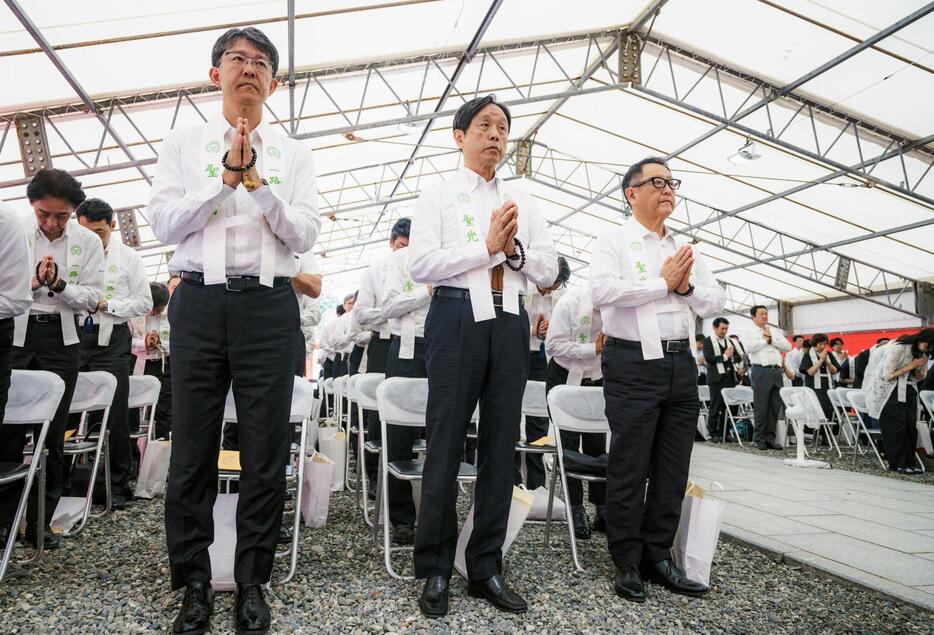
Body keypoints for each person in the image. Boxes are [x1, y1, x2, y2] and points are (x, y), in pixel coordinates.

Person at [148, 26, 320, 635]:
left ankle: (253, 581)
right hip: (197, 301)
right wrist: (222, 179)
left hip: (271, 308)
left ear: (274, 82)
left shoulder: (294, 153)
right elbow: (164, 222)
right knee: (192, 446)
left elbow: (304, 234)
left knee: (266, 449)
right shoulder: (183, 142)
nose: (249, 69)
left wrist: (259, 184)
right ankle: (194, 581)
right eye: (237, 59)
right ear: (215, 74)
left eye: (262, 63)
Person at [408, 94, 558, 617]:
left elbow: (549, 266)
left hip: (511, 318)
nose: (495, 134)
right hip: (454, 317)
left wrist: (514, 252)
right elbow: (422, 264)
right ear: (460, 136)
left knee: (501, 444)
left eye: (502, 126)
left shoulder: (524, 198)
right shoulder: (438, 194)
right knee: (445, 440)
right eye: (484, 125)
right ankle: (433, 565)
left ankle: (485, 564)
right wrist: (488, 248)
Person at [591, 156, 724, 603]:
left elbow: (714, 299)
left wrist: (684, 288)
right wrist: (660, 284)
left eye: (672, 182)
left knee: (673, 464)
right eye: (657, 182)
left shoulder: (683, 247)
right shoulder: (614, 240)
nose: (668, 189)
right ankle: (626, 558)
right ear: (632, 193)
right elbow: (603, 291)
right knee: (630, 463)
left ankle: (658, 554)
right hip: (631, 362)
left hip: (680, 363)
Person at [0, 169, 104, 551]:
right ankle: (5, 520)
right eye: (44, 214)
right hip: (15, 334)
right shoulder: (14, 231)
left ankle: (41, 521)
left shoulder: (87, 241)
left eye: (61, 216)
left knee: (53, 434)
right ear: (32, 205)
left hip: (62, 340)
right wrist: (32, 282)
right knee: (7, 430)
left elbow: (93, 298)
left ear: (73, 212)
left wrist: (59, 285)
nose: (51, 223)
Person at [74, 198, 153, 508]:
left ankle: (118, 483)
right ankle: (73, 479)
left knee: (115, 411)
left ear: (113, 226)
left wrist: (109, 305)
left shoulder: (129, 258)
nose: (94, 239)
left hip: (113, 337)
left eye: (100, 232)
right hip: (77, 335)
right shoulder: (73, 251)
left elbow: (144, 303)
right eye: (86, 232)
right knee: (72, 408)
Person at [543, 283, 605, 539]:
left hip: (597, 376)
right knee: (568, 445)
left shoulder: (620, 306)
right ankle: (575, 508)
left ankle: (603, 508)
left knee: (597, 444)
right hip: (564, 376)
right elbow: (553, 345)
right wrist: (594, 348)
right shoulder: (569, 303)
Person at [380, 242, 431, 545]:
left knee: (442, 434)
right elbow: (389, 307)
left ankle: (435, 514)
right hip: (408, 349)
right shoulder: (401, 260)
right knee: (399, 435)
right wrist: (426, 292)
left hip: (448, 345)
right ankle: (401, 518)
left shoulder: (450, 254)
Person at [353, 217, 410, 487]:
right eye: (401, 245)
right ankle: (374, 478)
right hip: (382, 344)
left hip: (412, 343)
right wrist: (390, 312)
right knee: (378, 413)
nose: (406, 251)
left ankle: (404, 474)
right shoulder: (376, 271)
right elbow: (362, 314)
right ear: (391, 243)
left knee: (408, 413)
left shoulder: (420, 266)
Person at [516, 256, 570, 491]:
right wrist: (532, 330)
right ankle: (513, 481)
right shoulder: (521, 287)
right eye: (548, 285)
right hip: (515, 354)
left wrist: (549, 333)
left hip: (541, 358)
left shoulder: (559, 299)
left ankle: (537, 484)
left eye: (554, 288)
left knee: (538, 420)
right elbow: (507, 325)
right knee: (511, 417)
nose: (549, 291)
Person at [0, 201, 33, 550]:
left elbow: (15, 298)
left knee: (14, 436)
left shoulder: (5, 220)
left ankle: (19, 522)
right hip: (23, 337)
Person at [865, 329, 933, 474]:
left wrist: (920, 367)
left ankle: (909, 462)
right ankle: (897, 464)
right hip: (890, 391)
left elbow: (921, 376)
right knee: (896, 427)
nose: (928, 350)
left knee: (910, 426)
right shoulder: (899, 348)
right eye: (928, 346)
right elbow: (887, 374)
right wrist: (912, 365)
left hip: (909, 390)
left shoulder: (923, 354)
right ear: (921, 339)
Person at [741, 305, 791, 451]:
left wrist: (771, 340)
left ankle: (770, 437)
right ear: (753, 317)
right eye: (761, 314)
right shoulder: (748, 331)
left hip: (776, 371)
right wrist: (764, 340)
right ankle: (760, 438)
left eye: (766, 313)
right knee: (761, 406)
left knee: (775, 406)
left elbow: (787, 346)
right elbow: (748, 348)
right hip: (760, 370)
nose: (765, 316)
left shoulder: (773, 331)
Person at [130, 282, 172, 439]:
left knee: (164, 409)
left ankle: (161, 444)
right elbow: (128, 339)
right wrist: (144, 343)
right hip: (139, 364)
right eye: (152, 308)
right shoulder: (136, 310)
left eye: (158, 309)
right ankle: (134, 454)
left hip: (164, 364)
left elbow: (179, 341)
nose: (154, 312)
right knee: (132, 405)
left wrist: (160, 343)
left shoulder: (173, 314)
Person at [703, 318, 736, 442]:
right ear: (714, 327)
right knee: (715, 407)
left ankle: (725, 432)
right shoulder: (708, 341)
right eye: (722, 328)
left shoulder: (730, 341)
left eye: (726, 328)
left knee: (729, 407)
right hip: (716, 379)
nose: (724, 331)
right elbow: (709, 358)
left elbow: (736, 356)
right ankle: (713, 432)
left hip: (729, 377)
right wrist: (725, 356)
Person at [292, 251, 322, 377]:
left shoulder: (301, 252)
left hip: (291, 334)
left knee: (294, 383)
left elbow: (315, 315)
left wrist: (290, 315)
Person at [799, 333, 837, 420]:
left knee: (829, 410)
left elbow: (834, 371)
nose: (823, 346)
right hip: (814, 388)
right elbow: (810, 372)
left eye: (824, 344)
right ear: (815, 343)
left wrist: (827, 361)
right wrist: (821, 360)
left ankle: (830, 431)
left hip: (828, 387)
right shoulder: (808, 355)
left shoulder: (829, 355)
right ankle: (815, 431)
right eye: (820, 344)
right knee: (816, 411)